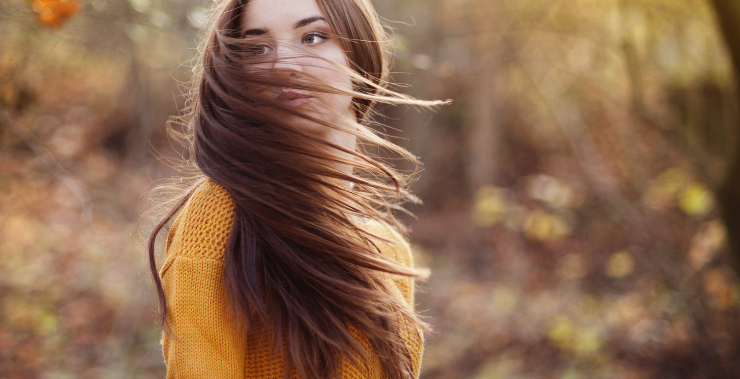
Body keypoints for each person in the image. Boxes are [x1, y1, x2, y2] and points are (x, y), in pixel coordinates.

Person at [144, 0, 446, 377]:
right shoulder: (219, 216)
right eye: (257, 48)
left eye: (313, 37)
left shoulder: (388, 251)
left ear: (360, 52)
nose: (283, 64)